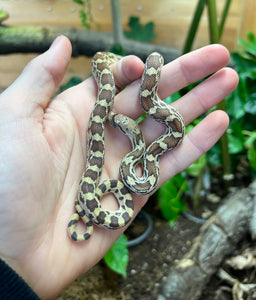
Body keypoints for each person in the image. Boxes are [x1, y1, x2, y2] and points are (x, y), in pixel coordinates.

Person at [0, 35, 238, 300]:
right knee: (115, 66)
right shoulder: (138, 152)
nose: (114, 120)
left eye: (117, 123)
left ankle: (88, 206)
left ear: (129, 134)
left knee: (128, 68)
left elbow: (145, 125)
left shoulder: (143, 154)